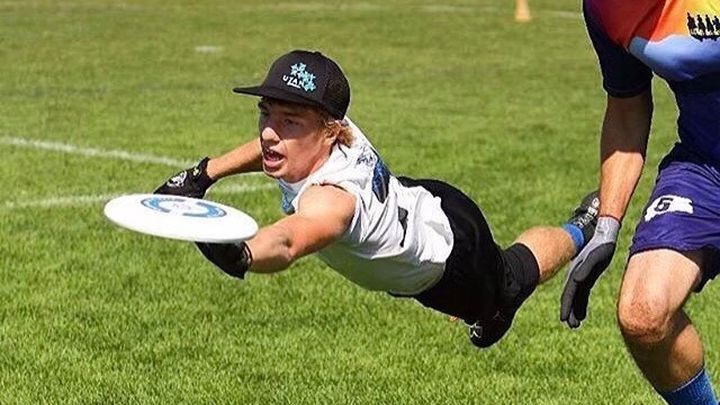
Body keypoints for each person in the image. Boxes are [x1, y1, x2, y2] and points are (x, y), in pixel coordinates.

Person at [156, 50, 598, 348]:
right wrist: (202, 174)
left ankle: (584, 226)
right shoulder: (325, 131)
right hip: (426, 200)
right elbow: (270, 148)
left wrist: (244, 254)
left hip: (451, 264)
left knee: (512, 276)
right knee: (499, 270)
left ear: (330, 130)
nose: (270, 132)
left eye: (289, 121)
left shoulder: (332, 200)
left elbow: (290, 239)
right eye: (266, 113)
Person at [559, 1, 720, 403]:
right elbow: (627, 107)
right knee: (644, 311)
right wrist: (606, 227)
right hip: (705, 166)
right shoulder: (606, 9)